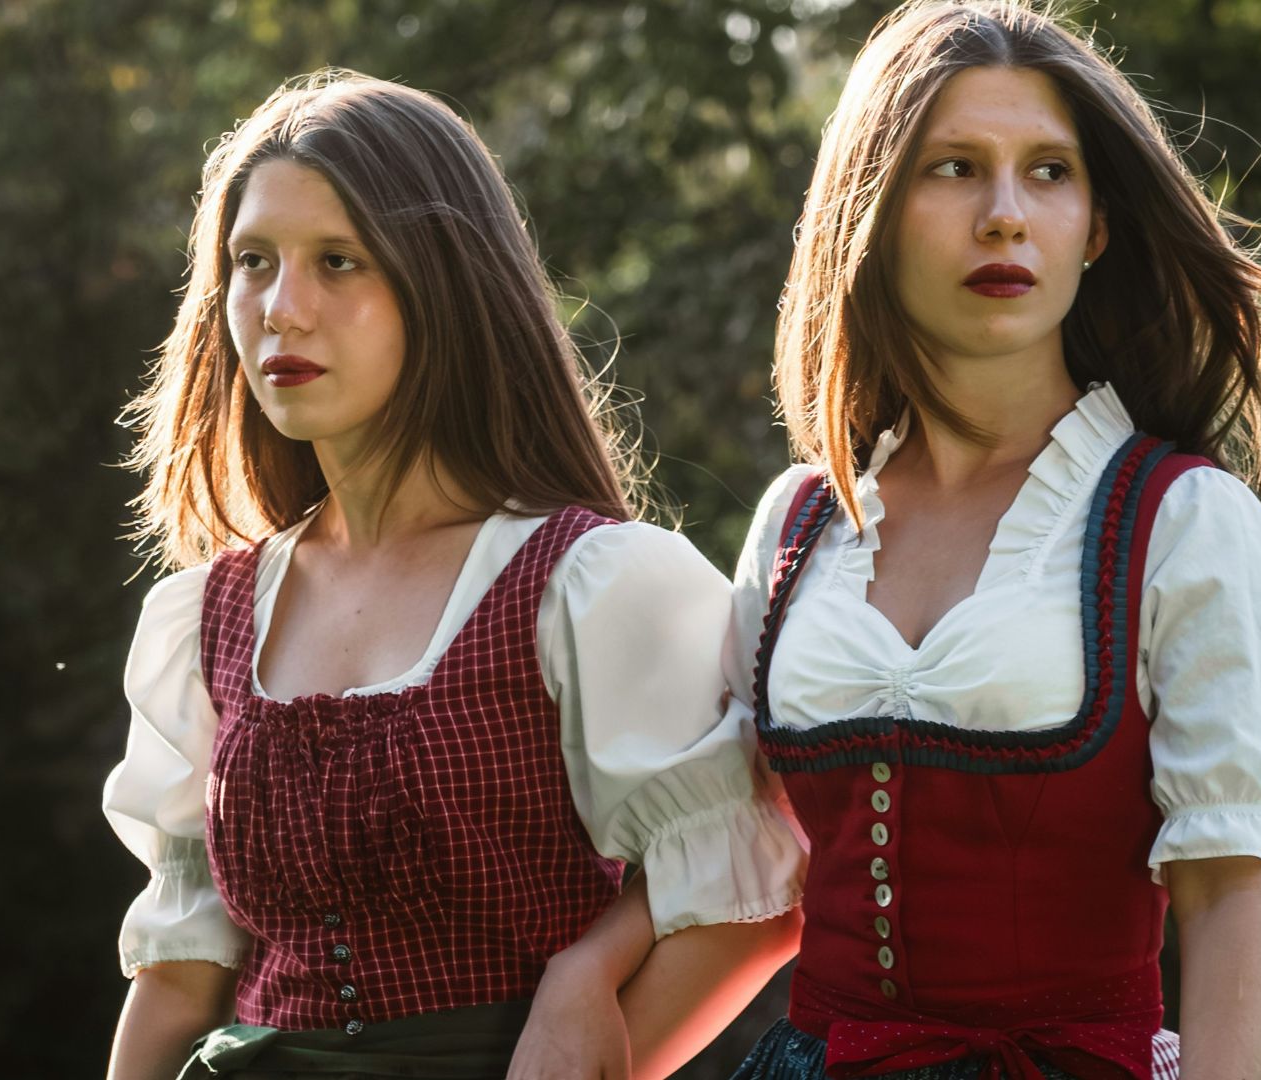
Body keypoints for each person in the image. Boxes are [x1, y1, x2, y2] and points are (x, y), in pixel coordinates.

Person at [100, 70, 805, 1080]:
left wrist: (589, 997)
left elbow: (746, 902)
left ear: (443, 284)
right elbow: (179, 971)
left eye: (338, 262)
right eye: (253, 262)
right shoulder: (205, 614)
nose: (282, 308)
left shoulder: (594, 584)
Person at [725, 3, 1261, 1078]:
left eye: (1048, 172)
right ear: (875, 208)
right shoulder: (799, 523)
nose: (1006, 216)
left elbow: (1232, 889)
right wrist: (585, 993)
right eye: (954, 168)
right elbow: (732, 876)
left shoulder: (1183, 524)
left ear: (1095, 228)